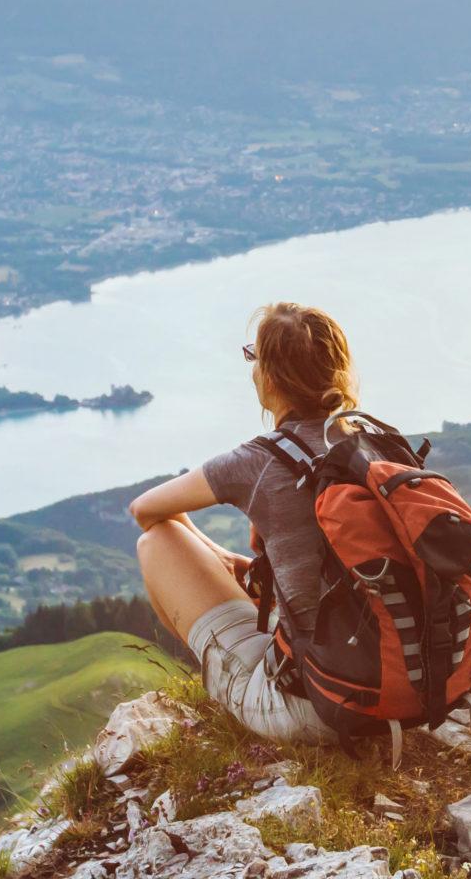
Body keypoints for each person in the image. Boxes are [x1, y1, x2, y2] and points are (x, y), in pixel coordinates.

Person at [129, 301, 355, 745]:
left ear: (268, 377)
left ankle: (226, 692)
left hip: (315, 709)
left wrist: (213, 555)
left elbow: (146, 511)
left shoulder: (260, 460)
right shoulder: (374, 445)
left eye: (254, 356)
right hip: (412, 684)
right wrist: (228, 560)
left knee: (156, 541)